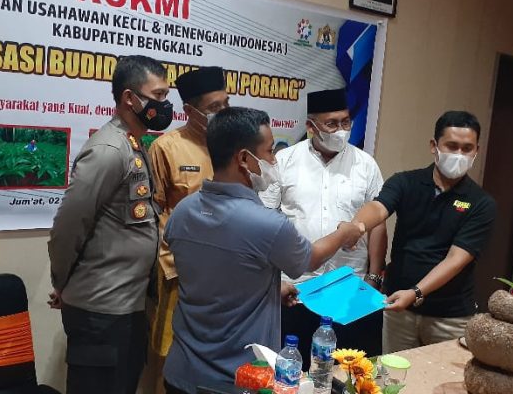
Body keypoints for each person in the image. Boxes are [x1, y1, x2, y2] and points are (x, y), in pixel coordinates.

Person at [162, 107, 365, 394]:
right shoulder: (266, 224)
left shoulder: (183, 211)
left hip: (181, 374)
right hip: (238, 380)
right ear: (244, 159)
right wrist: (343, 232)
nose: (274, 161)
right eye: (269, 152)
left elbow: (213, 275)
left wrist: (267, 288)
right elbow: (310, 259)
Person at [47, 55, 173, 394]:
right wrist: (62, 282)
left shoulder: (133, 144)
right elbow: (68, 226)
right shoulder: (108, 150)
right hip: (100, 311)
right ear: (130, 98)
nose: (165, 105)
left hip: (125, 306)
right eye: (158, 95)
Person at [350, 110, 496, 353]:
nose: (459, 154)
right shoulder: (406, 182)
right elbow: (379, 207)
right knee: (394, 375)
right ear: (434, 146)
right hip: (399, 309)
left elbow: (456, 259)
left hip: (450, 317)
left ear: (476, 151)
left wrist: (416, 292)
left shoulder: (481, 203)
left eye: (467, 148)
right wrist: (357, 226)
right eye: (452, 146)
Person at [260, 88, 388, 363]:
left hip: (350, 288)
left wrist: (374, 277)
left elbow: (378, 224)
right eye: (331, 124)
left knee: (350, 371)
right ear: (311, 126)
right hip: (296, 289)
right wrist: (274, 281)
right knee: (294, 369)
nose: (341, 130)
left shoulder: (365, 164)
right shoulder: (284, 161)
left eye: (346, 122)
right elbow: (266, 221)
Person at [147, 66, 229, 391]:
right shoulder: (166, 148)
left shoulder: (233, 147)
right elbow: (152, 214)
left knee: (213, 355)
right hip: (179, 273)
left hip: (225, 272)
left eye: (226, 104)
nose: (223, 112)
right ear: (190, 111)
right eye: (214, 107)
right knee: (169, 355)